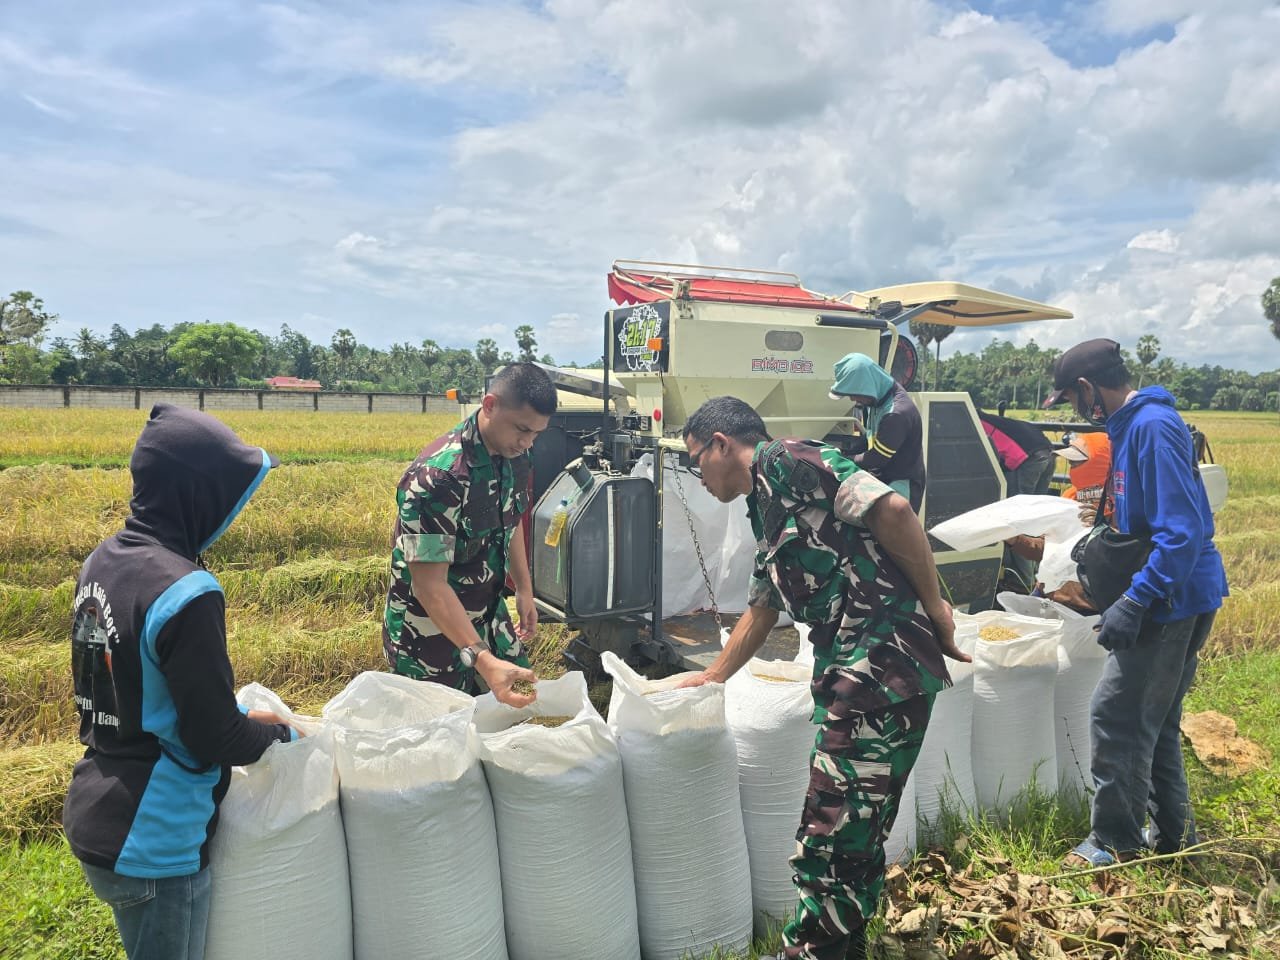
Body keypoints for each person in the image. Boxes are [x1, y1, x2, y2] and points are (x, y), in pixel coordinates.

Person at [676, 396, 970, 960]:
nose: (699, 476)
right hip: (857, 672)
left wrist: (937, 607)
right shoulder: (765, 504)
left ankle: (810, 952)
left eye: (697, 460)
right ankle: (840, 949)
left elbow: (895, 512)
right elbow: (762, 608)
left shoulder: (788, 460)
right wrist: (711, 677)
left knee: (831, 828)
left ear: (720, 443)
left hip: (880, 667)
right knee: (856, 829)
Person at [64, 404, 304, 960]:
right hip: (155, 836)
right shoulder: (188, 591)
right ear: (199, 495)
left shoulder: (104, 561)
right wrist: (280, 737)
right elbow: (214, 736)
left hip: (99, 806)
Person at [1044, 338, 1227, 867]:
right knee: (1155, 720)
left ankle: (1114, 843)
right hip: (1169, 590)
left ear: (1088, 389)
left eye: (1075, 401)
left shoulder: (1151, 429)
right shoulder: (1133, 428)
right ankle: (1174, 838)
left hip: (1170, 598)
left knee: (1116, 717)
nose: (1078, 413)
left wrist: (1136, 601)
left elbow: (1182, 533)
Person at [382, 361, 556, 707]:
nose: (527, 442)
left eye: (537, 434)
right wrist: (482, 658)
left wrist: (523, 589)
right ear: (489, 405)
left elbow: (511, 524)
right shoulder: (439, 478)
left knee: (519, 706)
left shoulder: (516, 457)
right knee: (445, 731)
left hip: (486, 613)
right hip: (428, 629)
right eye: (522, 429)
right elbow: (429, 585)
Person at [828, 352, 925, 512]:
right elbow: (869, 438)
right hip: (884, 480)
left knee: (895, 536)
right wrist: (843, 452)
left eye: (854, 393)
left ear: (866, 386)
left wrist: (842, 459)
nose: (852, 399)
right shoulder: (876, 400)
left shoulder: (896, 414)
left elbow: (876, 458)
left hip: (901, 486)